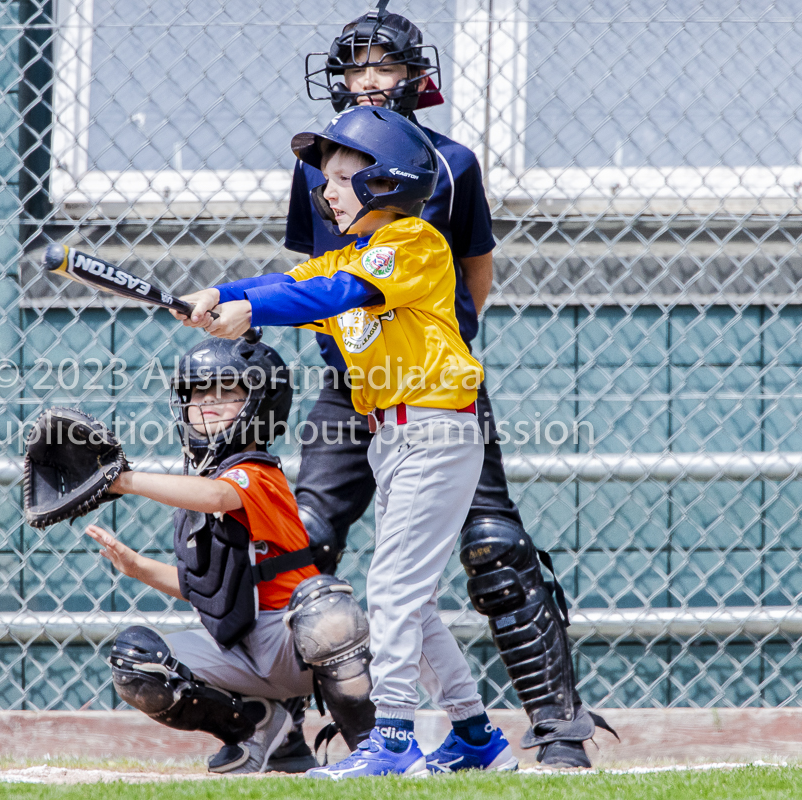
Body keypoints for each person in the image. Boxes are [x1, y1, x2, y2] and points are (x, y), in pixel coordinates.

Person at [287, 8, 615, 768]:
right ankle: (287, 733)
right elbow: (309, 275)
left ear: (413, 74)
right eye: (356, 66)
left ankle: (558, 733)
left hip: (434, 387)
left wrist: (430, 338)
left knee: (493, 547)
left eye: (384, 65)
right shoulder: (316, 166)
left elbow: (474, 274)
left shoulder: (451, 162)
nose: (369, 79)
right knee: (305, 545)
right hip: (354, 385)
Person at [177, 105, 518, 778]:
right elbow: (290, 284)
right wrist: (221, 293)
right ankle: (476, 736)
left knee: (391, 593)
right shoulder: (354, 252)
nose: (325, 191)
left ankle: (391, 740)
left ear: (385, 183)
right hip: (394, 441)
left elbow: (331, 293)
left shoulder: (412, 243)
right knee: (410, 597)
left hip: (435, 431)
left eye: (339, 177)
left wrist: (256, 309)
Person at [84, 336, 375, 774]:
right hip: (241, 652)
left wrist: (123, 480)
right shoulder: (201, 484)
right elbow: (209, 587)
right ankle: (262, 727)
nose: (209, 403)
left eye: (228, 392)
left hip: (293, 648)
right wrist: (136, 566)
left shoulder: (256, 474)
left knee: (325, 610)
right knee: (136, 661)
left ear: (259, 404)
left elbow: (219, 495)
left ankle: (375, 750)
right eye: (200, 392)